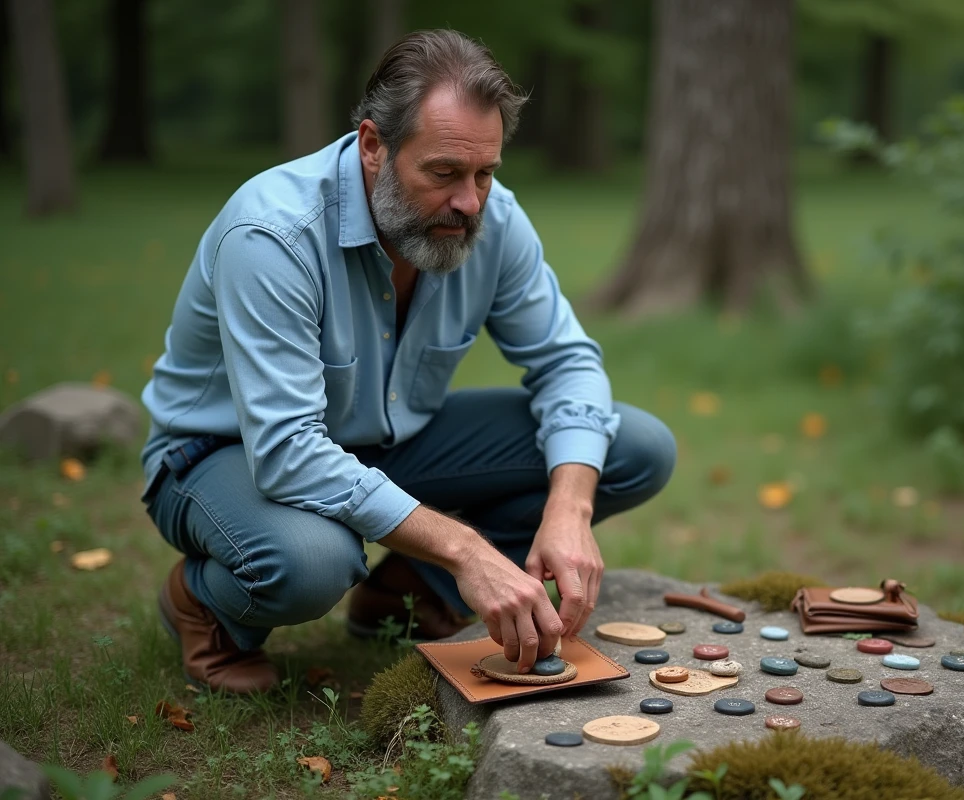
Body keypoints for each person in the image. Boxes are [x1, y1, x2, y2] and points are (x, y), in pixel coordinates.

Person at [139, 29, 676, 694]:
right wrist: (467, 551)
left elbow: (567, 363)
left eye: (485, 173)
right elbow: (286, 451)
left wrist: (569, 508)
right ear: (373, 146)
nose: (470, 203)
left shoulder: (494, 220)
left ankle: (404, 593)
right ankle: (203, 604)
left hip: (385, 442)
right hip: (224, 455)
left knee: (630, 448)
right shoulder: (273, 234)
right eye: (443, 173)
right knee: (311, 560)